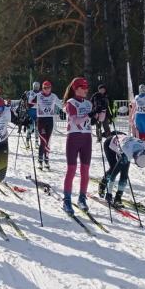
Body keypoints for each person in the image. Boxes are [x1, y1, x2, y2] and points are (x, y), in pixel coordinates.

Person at [61, 77, 93, 216]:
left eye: (87, 87)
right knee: (72, 170)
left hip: (87, 138)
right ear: (76, 88)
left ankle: (82, 198)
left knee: (85, 170)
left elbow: (100, 119)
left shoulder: (88, 103)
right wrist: (90, 114)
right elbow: (76, 120)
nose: (86, 90)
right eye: (83, 87)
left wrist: (102, 110)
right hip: (74, 137)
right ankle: (67, 200)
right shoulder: (70, 103)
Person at [98, 133, 145, 208]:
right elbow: (113, 175)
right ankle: (102, 184)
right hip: (110, 144)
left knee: (124, 173)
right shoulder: (127, 153)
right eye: (136, 163)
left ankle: (118, 197)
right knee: (113, 168)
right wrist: (109, 193)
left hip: (124, 142)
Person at [29, 80, 61, 169]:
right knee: (43, 141)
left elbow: (61, 105)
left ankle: (46, 159)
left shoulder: (53, 96)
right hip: (41, 120)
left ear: (51, 88)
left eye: (49, 88)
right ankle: (40, 160)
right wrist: (26, 99)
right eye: (45, 88)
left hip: (50, 120)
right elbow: (29, 104)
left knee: (48, 141)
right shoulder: (38, 96)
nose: (47, 90)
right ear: (42, 89)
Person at [25, 82, 41, 147]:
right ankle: (27, 141)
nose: (36, 87)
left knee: (37, 128)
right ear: (33, 86)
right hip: (30, 112)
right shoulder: (29, 92)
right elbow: (26, 101)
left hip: (38, 112)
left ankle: (36, 142)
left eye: (37, 86)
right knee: (30, 128)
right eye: (35, 86)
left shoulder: (41, 93)